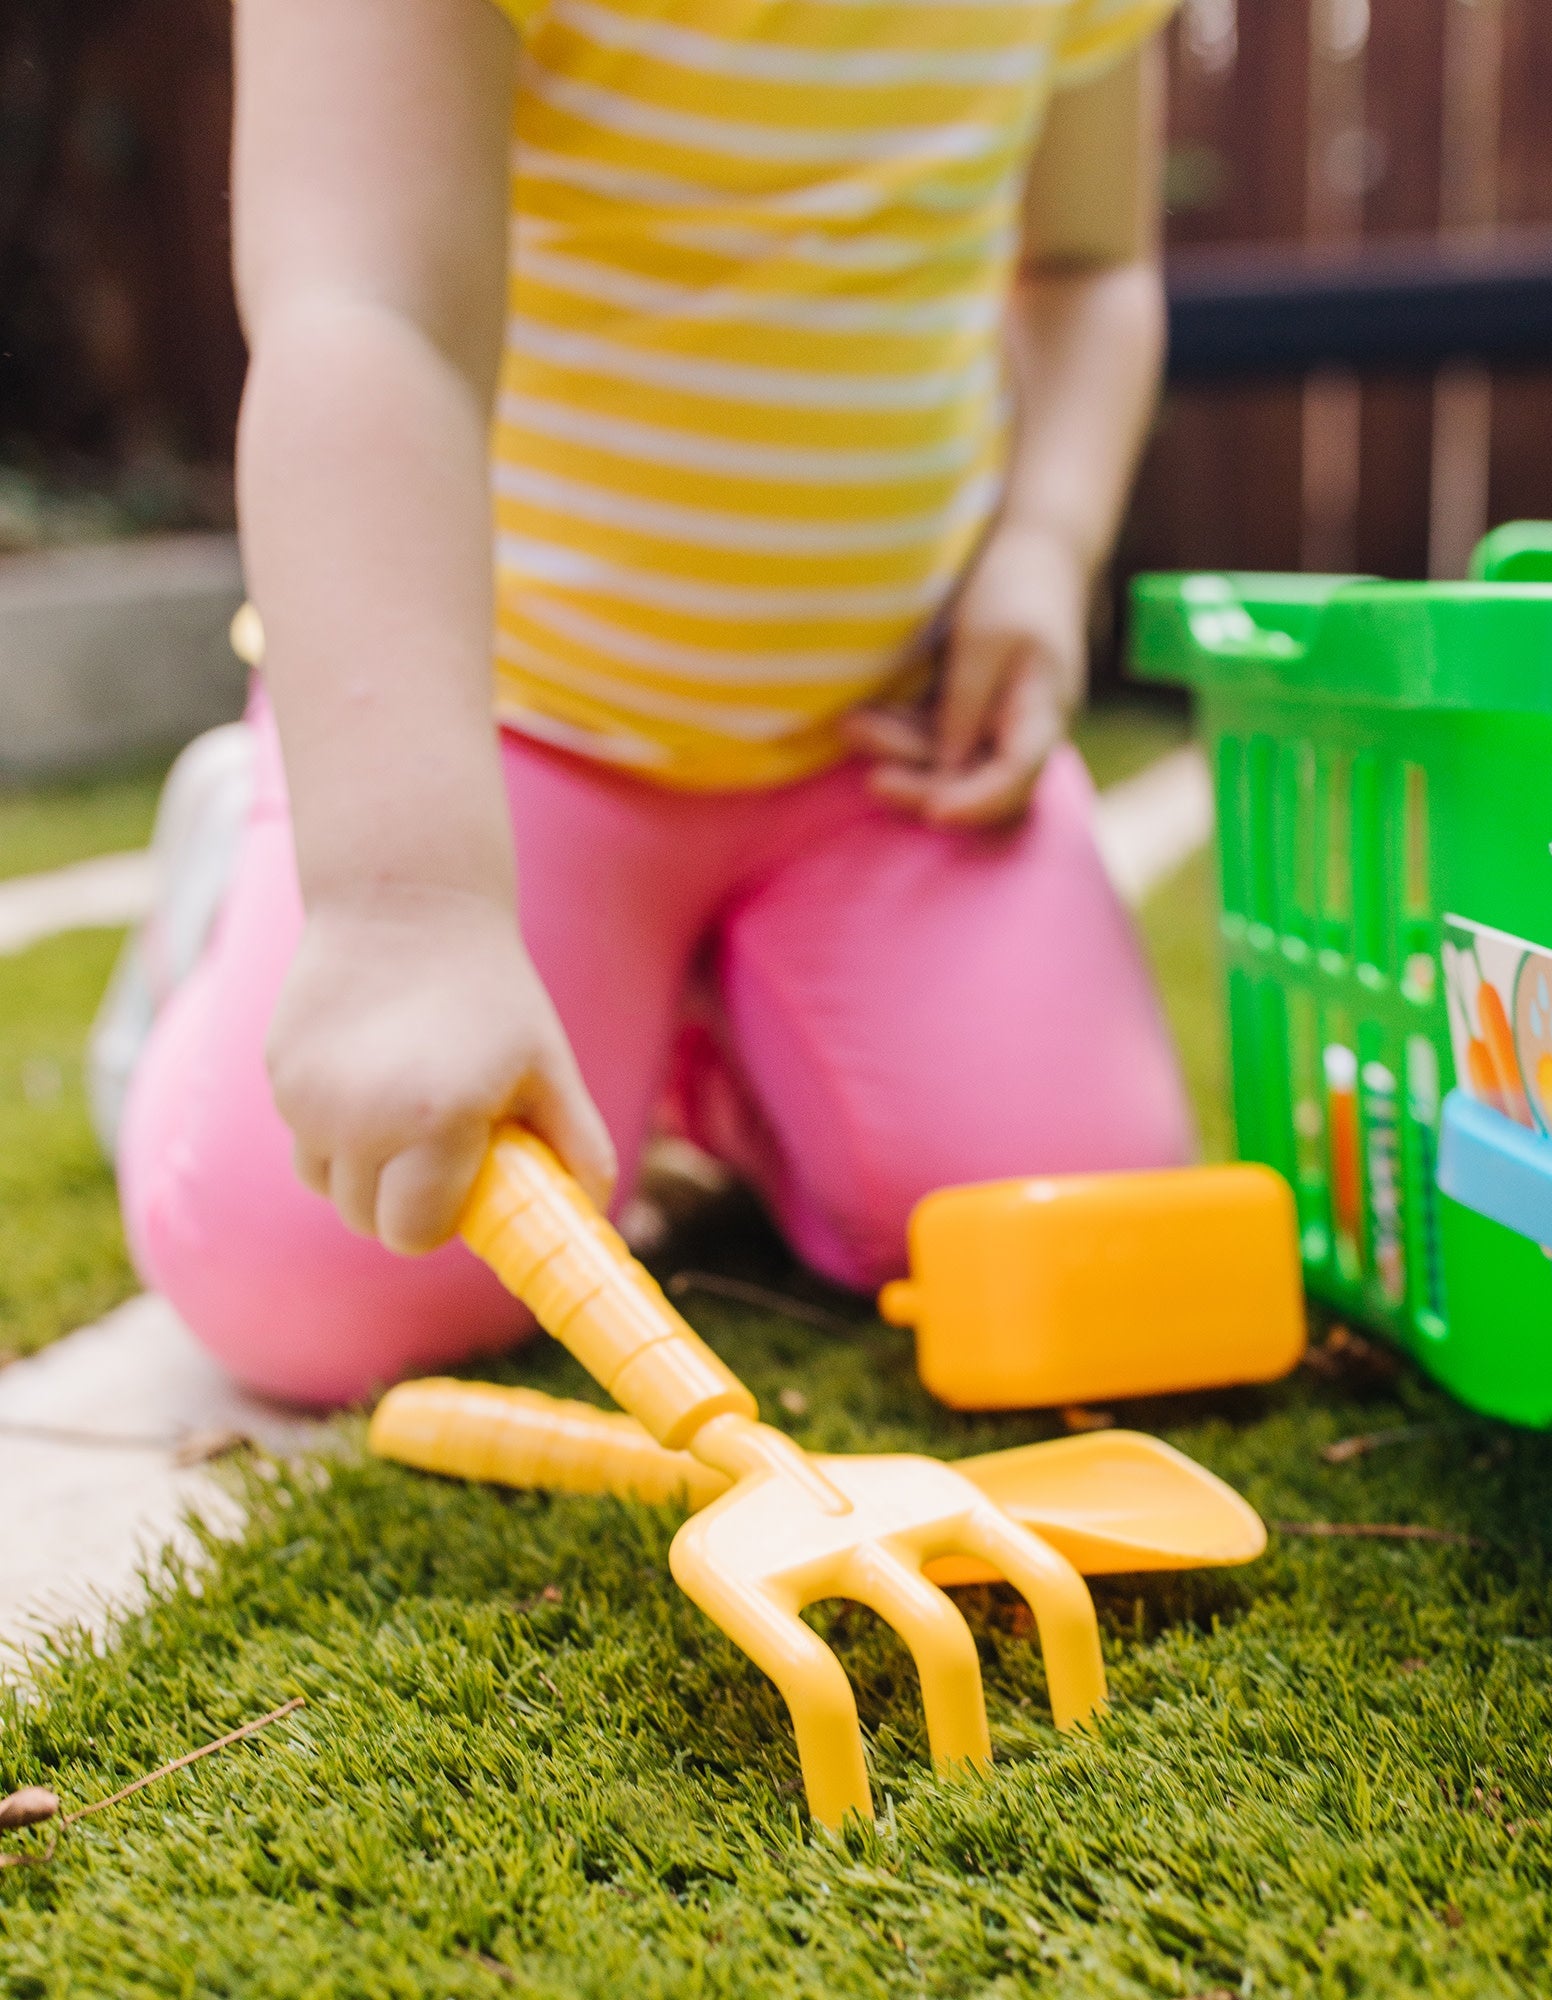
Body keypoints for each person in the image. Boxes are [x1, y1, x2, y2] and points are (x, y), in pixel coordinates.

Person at [112, 0, 1195, 1407]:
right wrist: (399, 908)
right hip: (496, 742)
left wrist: (1043, 551)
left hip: (885, 751)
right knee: (320, 1279)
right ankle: (263, 864)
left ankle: (704, 1023)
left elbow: (1090, 267)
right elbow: (364, 314)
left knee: (1077, 1218)